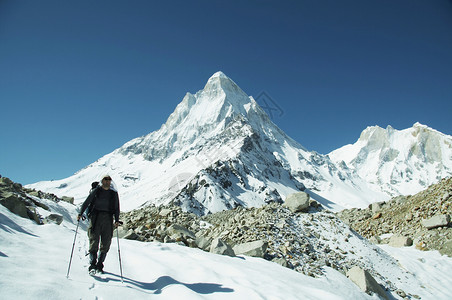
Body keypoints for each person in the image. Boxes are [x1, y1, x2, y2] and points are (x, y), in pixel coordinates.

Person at [77, 175, 120, 273]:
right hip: (95, 218)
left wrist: (116, 219)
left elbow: (117, 207)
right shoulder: (97, 191)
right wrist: (80, 213)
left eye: (109, 180)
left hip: (108, 219)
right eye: (105, 179)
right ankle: (93, 264)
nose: (107, 181)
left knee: (106, 242)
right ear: (102, 181)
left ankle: (100, 264)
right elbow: (87, 202)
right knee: (94, 240)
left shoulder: (113, 193)